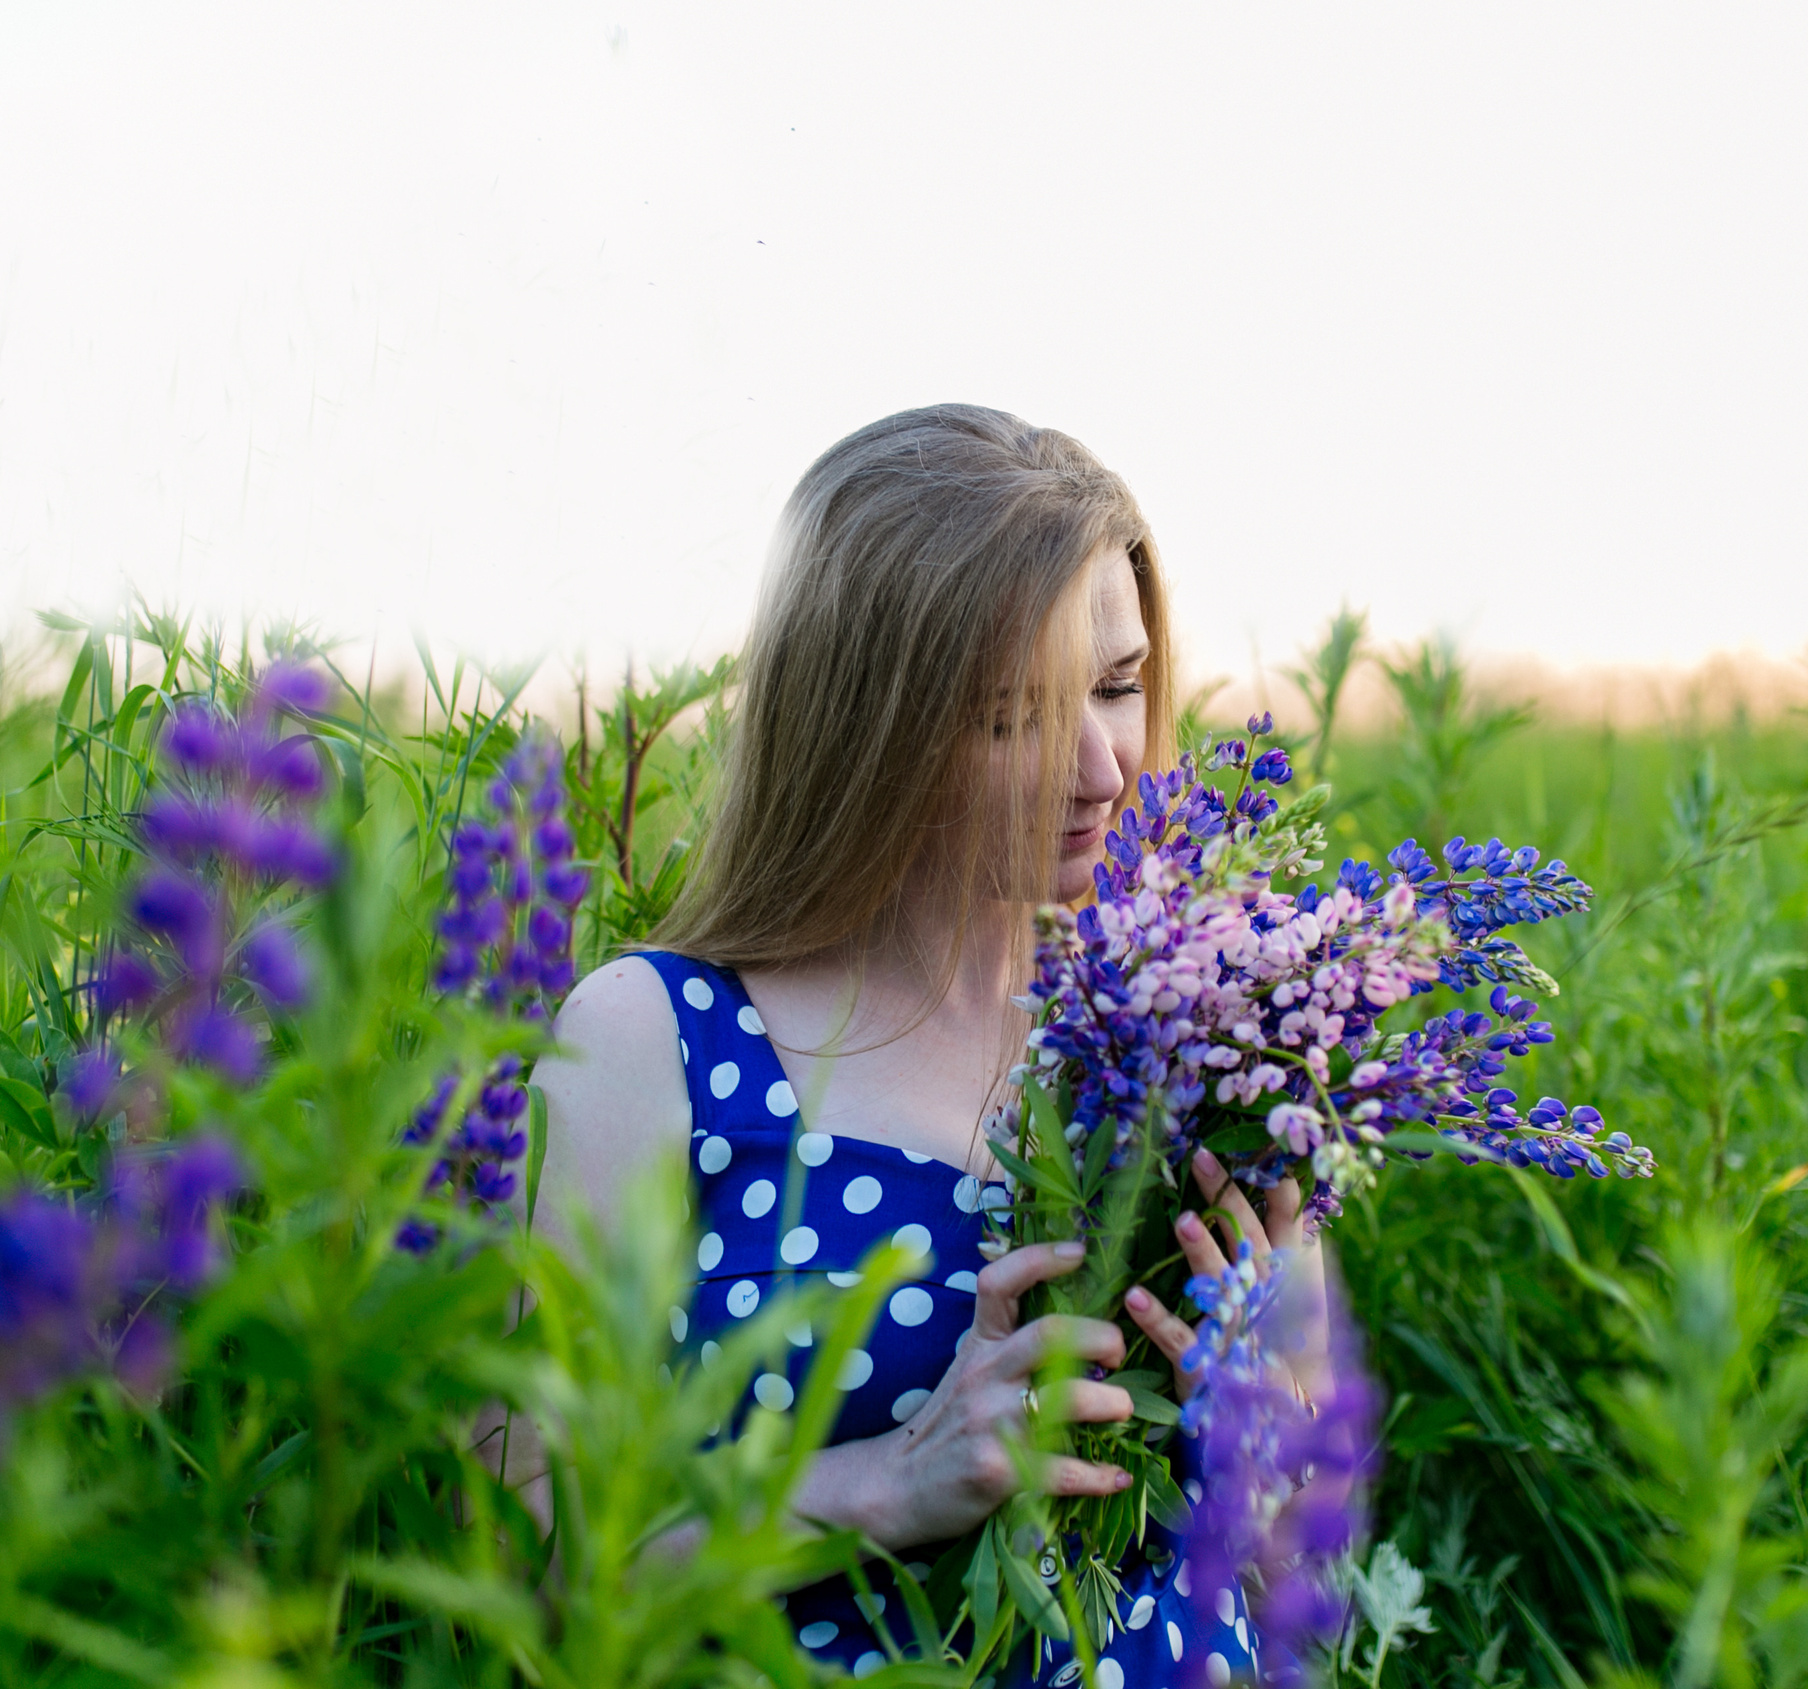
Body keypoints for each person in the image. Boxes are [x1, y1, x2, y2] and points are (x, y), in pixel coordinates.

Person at [534, 404, 1319, 1684]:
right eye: (1015, 715)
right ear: (863, 731)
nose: (1102, 768)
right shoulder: (656, 1040)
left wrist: (1265, 1445)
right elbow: (536, 1562)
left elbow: (1305, 1572)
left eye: (1118, 687)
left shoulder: (1206, 1036)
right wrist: (888, 1482)